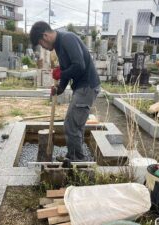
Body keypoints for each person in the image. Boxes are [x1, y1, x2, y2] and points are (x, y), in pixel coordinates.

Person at [30, 21, 100, 161]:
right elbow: (68, 71)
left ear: (45, 36)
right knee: (76, 124)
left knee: (70, 123)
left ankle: (77, 160)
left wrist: (60, 73)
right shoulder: (59, 46)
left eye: (40, 44)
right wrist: (60, 88)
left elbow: (79, 65)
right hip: (82, 87)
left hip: (87, 86)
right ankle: (75, 156)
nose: (43, 47)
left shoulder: (67, 38)